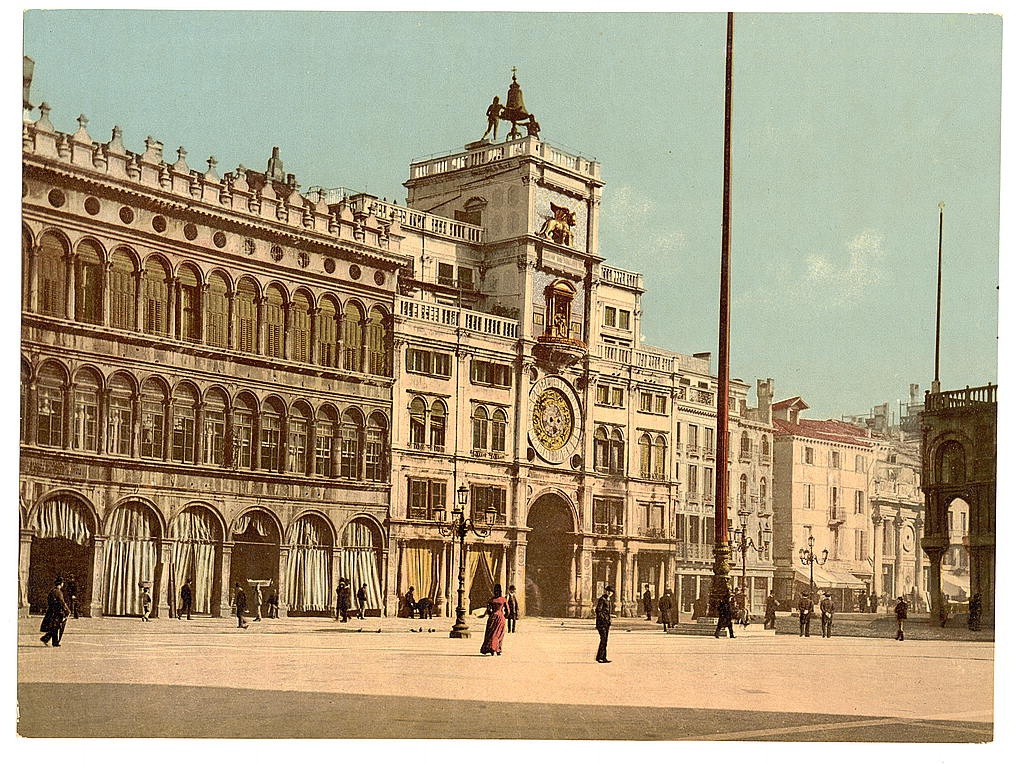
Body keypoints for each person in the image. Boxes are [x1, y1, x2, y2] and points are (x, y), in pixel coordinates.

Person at [480, 584, 510, 656]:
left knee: (491, 634)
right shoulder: (503, 600)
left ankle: (491, 648)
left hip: (492, 617)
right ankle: (498, 649)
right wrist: (504, 616)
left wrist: (492, 614)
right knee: (499, 634)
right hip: (500, 617)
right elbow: (508, 611)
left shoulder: (491, 600)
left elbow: (488, 610)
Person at [40, 576, 70, 647]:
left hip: (51, 611)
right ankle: (51, 640)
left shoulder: (52, 591)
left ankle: (48, 639)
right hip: (57, 612)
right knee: (55, 626)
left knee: (54, 626)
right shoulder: (58, 592)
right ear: (61, 584)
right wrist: (67, 611)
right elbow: (62, 602)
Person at [595, 586, 614, 662]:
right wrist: (604, 618)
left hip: (606, 623)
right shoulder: (602, 599)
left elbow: (607, 612)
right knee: (603, 639)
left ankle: (603, 657)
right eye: (608, 591)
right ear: (606, 591)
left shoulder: (608, 600)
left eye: (611, 592)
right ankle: (600, 657)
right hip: (601, 623)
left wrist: (609, 618)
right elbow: (598, 611)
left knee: (605, 640)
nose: (610, 593)